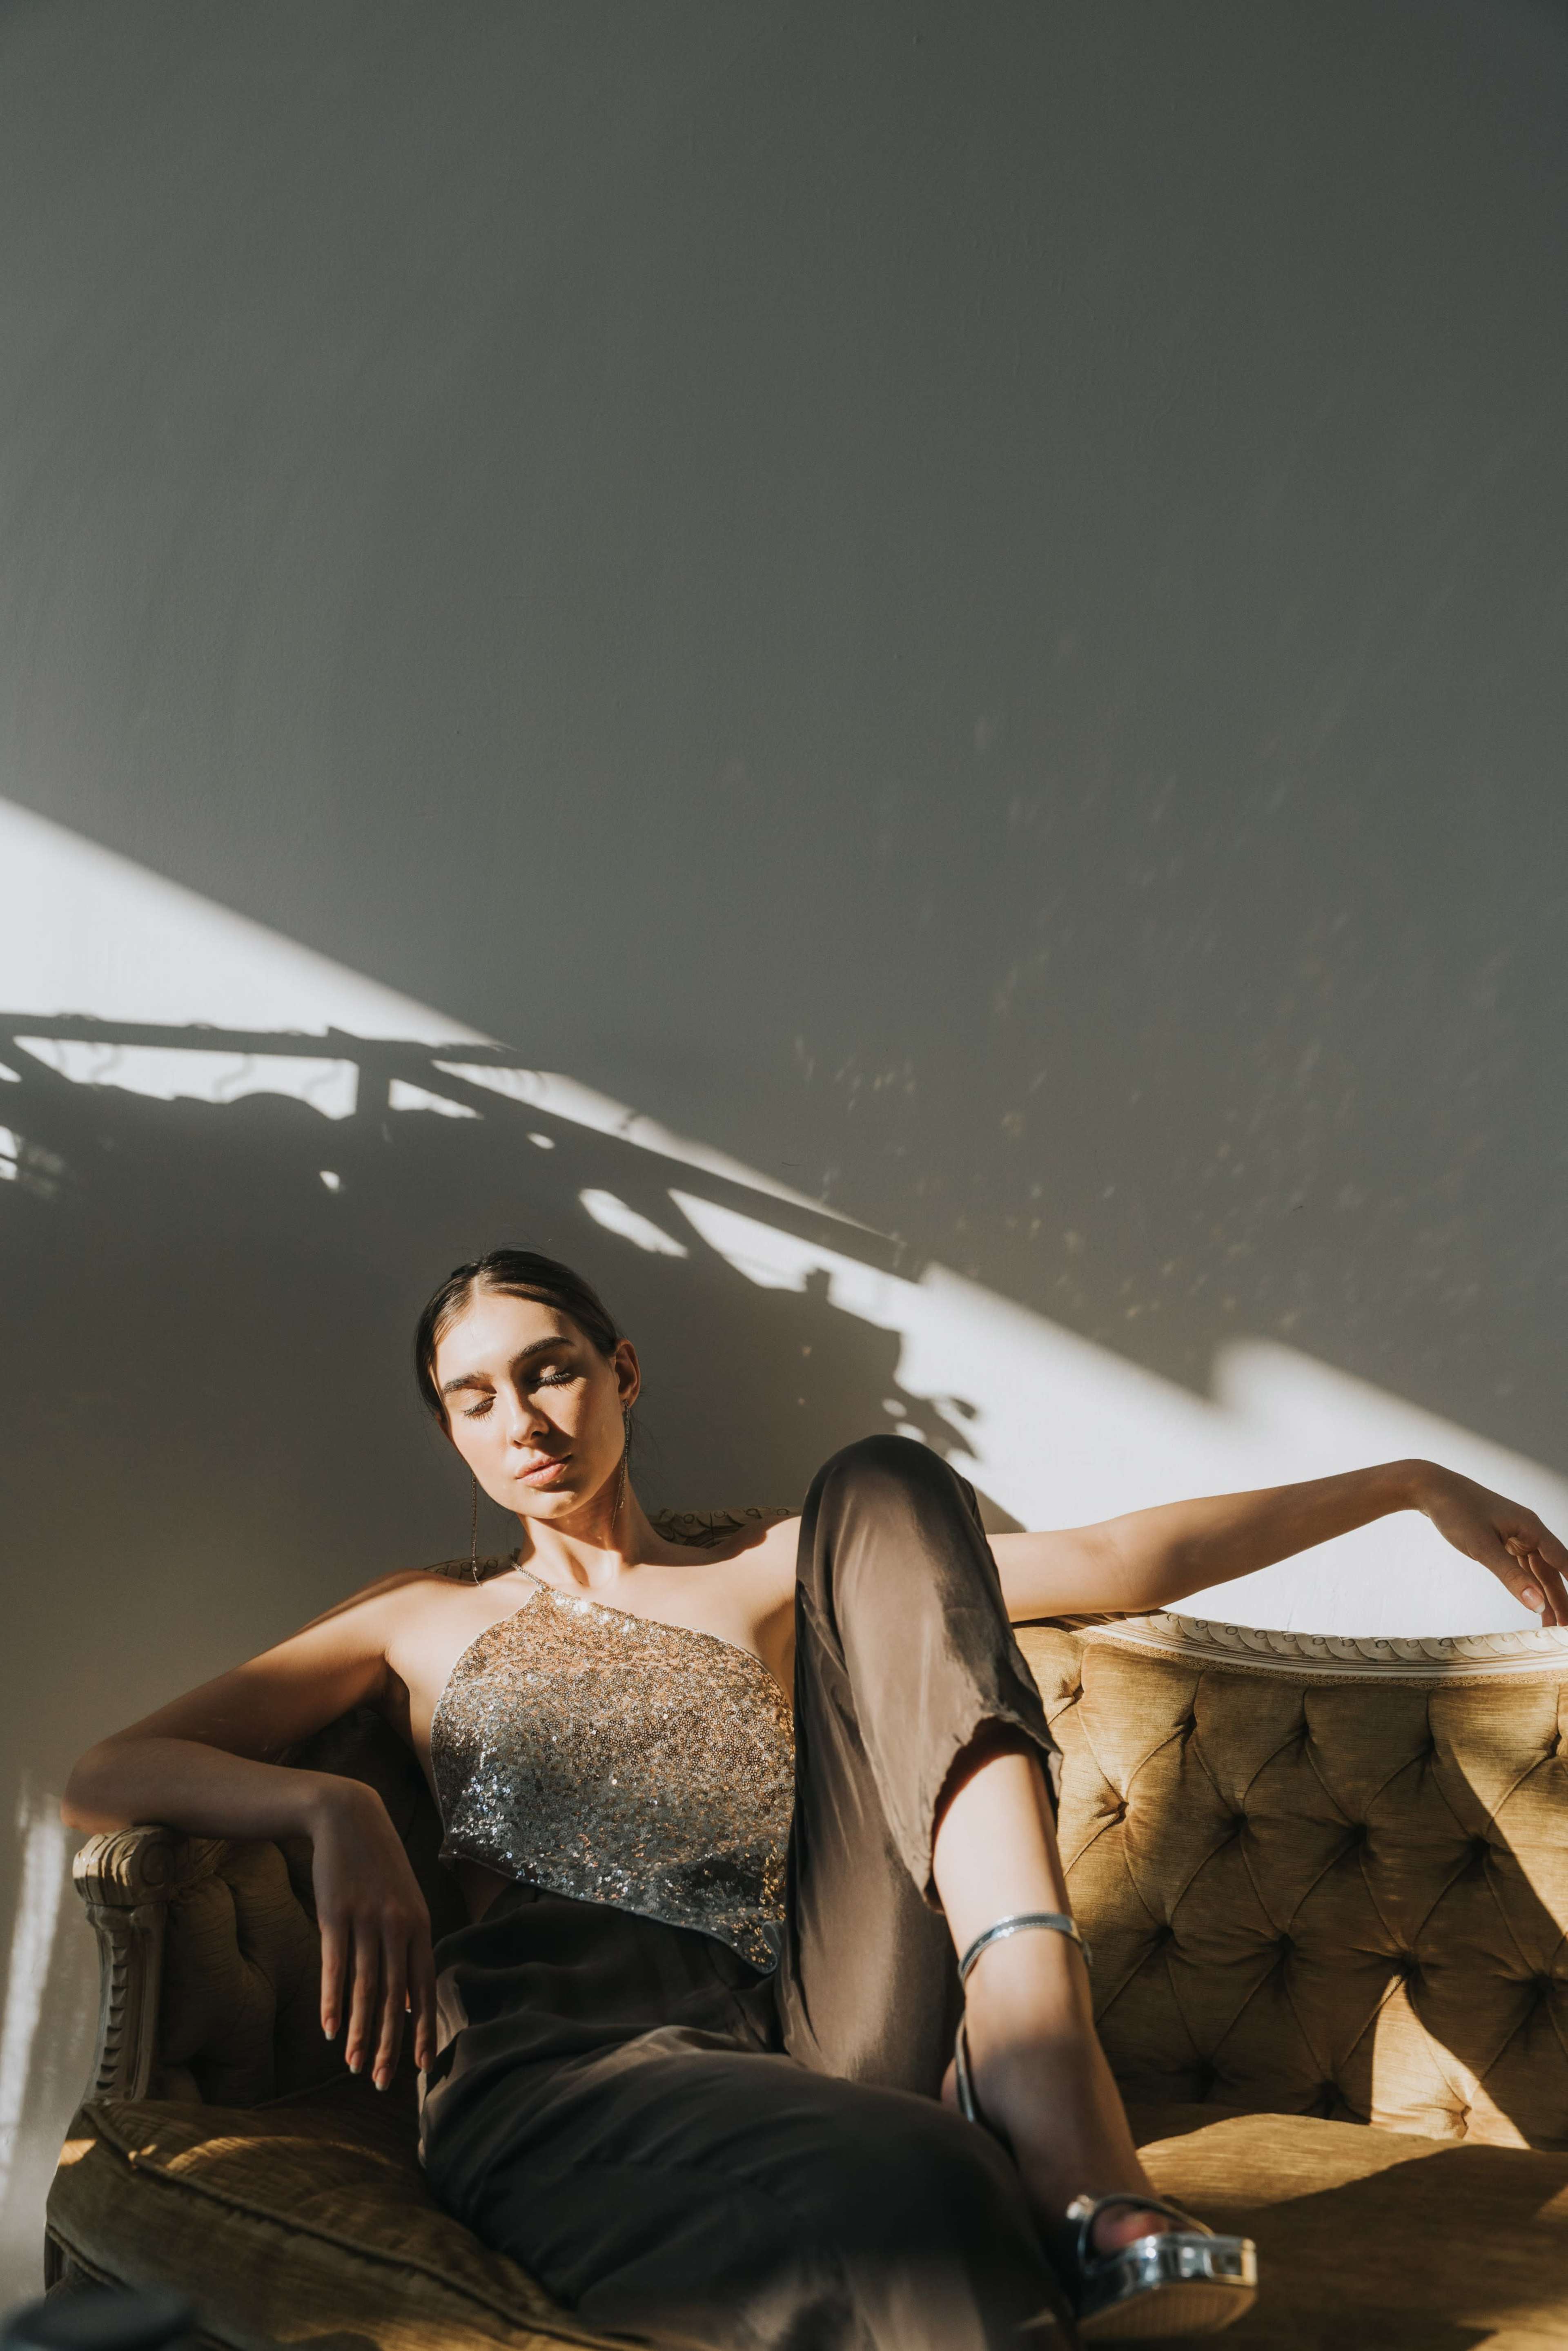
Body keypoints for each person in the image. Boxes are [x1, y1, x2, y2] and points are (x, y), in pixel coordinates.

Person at [65, 1249, 1568, 2348]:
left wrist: (1402, 1481)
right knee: (922, 2180)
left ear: (622, 1371)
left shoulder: (766, 1573)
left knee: (888, 1478)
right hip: (569, 2056)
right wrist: (333, 1811)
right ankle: (1048, 2169)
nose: (521, 1416)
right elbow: (105, 1772)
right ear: (453, 1432)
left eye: (550, 1368)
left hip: (811, 2006)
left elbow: (1117, 1561)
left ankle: (1043, 2069)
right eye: (474, 1398)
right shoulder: (416, 1618)